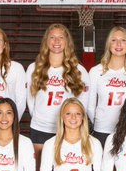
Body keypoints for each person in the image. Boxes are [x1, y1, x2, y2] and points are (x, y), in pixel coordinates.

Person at [26, 23, 90, 153]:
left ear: (67, 42)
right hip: (40, 128)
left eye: (61, 37)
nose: (56, 41)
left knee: (64, 169)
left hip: (68, 129)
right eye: (52, 37)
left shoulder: (79, 70)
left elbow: (83, 104)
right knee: (40, 170)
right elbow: (30, 100)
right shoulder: (34, 68)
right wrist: (41, 117)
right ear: (46, 41)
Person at [87, 26, 126, 147]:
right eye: (114, 40)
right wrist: (98, 121)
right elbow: (90, 104)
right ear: (108, 45)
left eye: (123, 40)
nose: (118, 44)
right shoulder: (95, 71)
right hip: (102, 129)